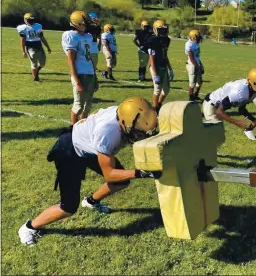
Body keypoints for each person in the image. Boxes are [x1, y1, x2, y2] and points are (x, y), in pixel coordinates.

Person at [18, 96, 161, 246]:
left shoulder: (125, 114)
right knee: (68, 207)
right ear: (125, 123)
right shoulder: (108, 132)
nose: (143, 135)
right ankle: (29, 228)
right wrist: (140, 172)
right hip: (70, 150)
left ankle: (91, 202)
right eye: (139, 132)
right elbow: (109, 174)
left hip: (88, 145)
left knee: (122, 181)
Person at [202, 67, 256, 141]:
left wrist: (253, 121)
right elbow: (219, 112)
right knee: (216, 134)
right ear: (254, 83)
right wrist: (237, 122)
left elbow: (242, 110)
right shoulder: (240, 92)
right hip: (212, 105)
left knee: (218, 136)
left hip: (218, 106)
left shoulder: (251, 89)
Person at [62, 10, 98, 126]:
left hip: (89, 72)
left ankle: (82, 127)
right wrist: (76, 81)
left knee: (88, 105)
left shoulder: (88, 36)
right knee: (78, 106)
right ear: (78, 23)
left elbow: (89, 58)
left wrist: (95, 75)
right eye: (85, 22)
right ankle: (72, 129)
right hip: (80, 73)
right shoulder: (71, 36)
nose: (88, 24)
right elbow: (70, 60)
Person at [16, 13, 52, 82]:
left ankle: (37, 72)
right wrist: (23, 51)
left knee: (42, 63)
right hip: (30, 47)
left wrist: (47, 47)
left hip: (39, 45)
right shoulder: (23, 28)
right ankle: (35, 78)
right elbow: (22, 40)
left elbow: (42, 37)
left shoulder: (38, 26)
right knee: (34, 63)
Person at [147, 19, 173, 113]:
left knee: (166, 90)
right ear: (155, 30)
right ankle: (155, 109)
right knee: (157, 90)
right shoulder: (152, 40)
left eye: (164, 30)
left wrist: (170, 69)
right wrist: (155, 74)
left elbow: (165, 55)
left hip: (163, 66)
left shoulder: (166, 40)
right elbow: (152, 59)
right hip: (155, 67)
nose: (163, 32)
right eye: (160, 30)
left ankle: (159, 104)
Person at [185, 29, 204, 101]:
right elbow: (191, 58)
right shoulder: (189, 44)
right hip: (192, 65)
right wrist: (198, 66)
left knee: (199, 81)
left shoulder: (195, 43)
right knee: (192, 82)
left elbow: (197, 57)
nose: (199, 39)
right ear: (193, 38)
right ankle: (191, 98)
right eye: (198, 38)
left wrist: (200, 64)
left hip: (196, 63)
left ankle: (195, 95)